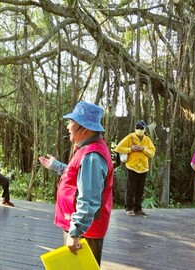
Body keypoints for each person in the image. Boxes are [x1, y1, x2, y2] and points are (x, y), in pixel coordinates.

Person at [38, 101, 113, 266]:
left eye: (72, 122)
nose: (68, 126)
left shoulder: (92, 156)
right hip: (80, 227)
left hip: (85, 231)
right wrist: (56, 166)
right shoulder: (87, 149)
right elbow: (78, 176)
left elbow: (89, 198)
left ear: (84, 128)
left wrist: (75, 232)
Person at [114, 120, 156, 216]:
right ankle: (129, 208)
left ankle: (138, 208)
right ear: (135, 128)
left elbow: (152, 152)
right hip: (132, 167)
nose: (139, 129)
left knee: (140, 189)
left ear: (145, 129)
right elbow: (118, 148)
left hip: (143, 168)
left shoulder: (147, 140)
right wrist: (130, 149)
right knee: (130, 189)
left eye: (141, 128)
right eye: (137, 127)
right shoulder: (130, 137)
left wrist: (143, 149)